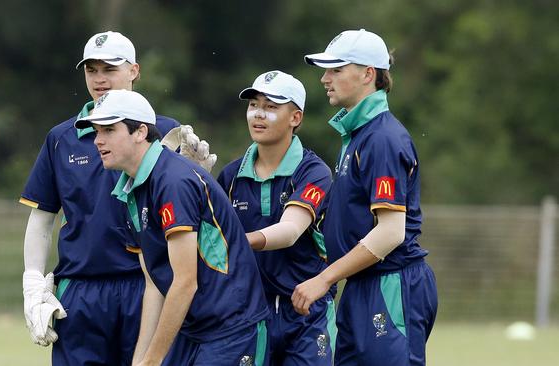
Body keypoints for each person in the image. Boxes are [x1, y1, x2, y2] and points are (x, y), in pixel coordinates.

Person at [19, 31, 213, 365]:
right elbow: (42, 218)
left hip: (147, 287)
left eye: (109, 69)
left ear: (134, 71)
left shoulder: (162, 131)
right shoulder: (61, 138)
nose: (99, 79)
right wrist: (33, 282)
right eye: (91, 70)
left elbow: (193, 211)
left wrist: (199, 172)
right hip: (81, 290)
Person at [74, 89, 270, 366]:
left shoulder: (173, 181)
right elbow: (155, 284)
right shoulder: (129, 188)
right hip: (193, 332)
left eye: (108, 130)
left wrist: (152, 360)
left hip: (233, 329)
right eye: (96, 131)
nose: (97, 141)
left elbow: (185, 283)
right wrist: (140, 359)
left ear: (140, 132)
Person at [291, 29, 438, 365]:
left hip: (390, 286)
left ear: (368, 74)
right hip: (361, 286)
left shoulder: (382, 138)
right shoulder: (358, 135)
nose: (324, 79)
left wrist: (324, 279)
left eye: (336, 69)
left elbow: (390, 232)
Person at [217, 70, 336, 365]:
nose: (258, 114)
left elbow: (290, 230)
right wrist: (193, 177)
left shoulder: (313, 171)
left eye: (271, 107)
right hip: (250, 312)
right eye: (254, 105)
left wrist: (239, 241)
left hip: (307, 312)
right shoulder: (230, 176)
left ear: (295, 118)